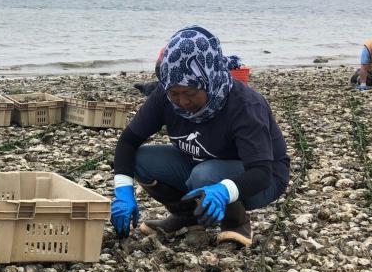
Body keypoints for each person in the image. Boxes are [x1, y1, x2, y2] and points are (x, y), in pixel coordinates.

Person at [110, 25, 290, 247]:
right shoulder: (164, 96)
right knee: (140, 159)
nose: (182, 101)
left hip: (263, 178)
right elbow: (128, 141)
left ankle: (236, 221)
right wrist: (123, 191)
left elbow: (262, 173)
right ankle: (187, 217)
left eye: (191, 93)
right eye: (174, 93)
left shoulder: (244, 105)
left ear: (209, 80)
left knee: (205, 175)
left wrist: (225, 190)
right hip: (199, 163)